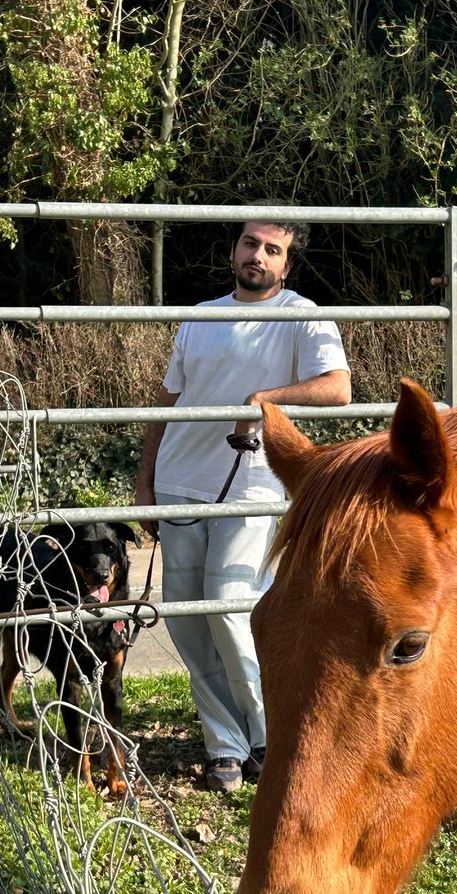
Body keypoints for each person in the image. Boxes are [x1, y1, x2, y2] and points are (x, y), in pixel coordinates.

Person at [135, 204, 351, 792]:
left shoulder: (302, 316)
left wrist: (267, 398)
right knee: (189, 623)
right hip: (180, 482)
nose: (258, 256)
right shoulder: (200, 315)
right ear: (234, 249)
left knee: (231, 607)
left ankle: (269, 735)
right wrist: (146, 477)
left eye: (272, 249)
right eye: (250, 243)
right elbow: (168, 401)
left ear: (287, 261)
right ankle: (224, 746)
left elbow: (338, 388)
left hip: (251, 486)